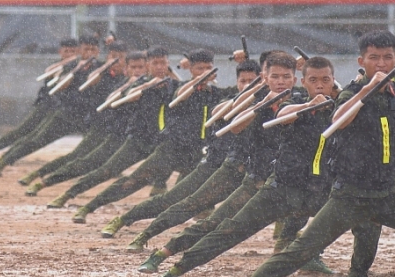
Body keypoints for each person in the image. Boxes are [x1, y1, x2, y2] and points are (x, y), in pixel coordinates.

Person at [216, 31, 395, 277]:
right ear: (362, 61)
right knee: (300, 250)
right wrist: (367, 89)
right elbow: (339, 119)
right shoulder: (349, 92)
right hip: (350, 195)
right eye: (374, 58)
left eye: (387, 57)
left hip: (387, 194)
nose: (382, 64)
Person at [146, 57, 380, 277]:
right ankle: (173, 269)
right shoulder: (292, 102)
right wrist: (304, 105)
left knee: (368, 219)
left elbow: (354, 105)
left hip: (321, 192)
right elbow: (271, 118)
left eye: (325, 80)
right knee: (229, 230)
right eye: (313, 80)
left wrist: (359, 89)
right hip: (280, 188)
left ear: (332, 81)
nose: (319, 85)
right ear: (303, 82)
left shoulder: (340, 107)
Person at [100, 61, 257, 239]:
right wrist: (251, 92)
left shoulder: (271, 102)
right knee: (175, 201)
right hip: (217, 164)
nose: (246, 85)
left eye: (251, 81)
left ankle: (282, 240)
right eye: (242, 81)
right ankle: (126, 221)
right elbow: (221, 110)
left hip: (250, 168)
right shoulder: (226, 98)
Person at [70, 50, 222, 222]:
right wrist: (194, 80)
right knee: (133, 182)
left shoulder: (215, 93)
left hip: (196, 152)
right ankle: (89, 207)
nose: (205, 72)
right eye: (200, 69)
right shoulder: (173, 86)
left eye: (208, 68)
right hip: (171, 149)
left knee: (198, 189)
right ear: (191, 70)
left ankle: (201, 221)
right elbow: (179, 94)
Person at [41, 46, 178, 219]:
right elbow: (130, 96)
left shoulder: (173, 85)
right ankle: (73, 196)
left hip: (162, 143)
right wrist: (150, 84)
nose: (159, 67)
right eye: (155, 63)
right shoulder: (138, 83)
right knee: (107, 171)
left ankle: (192, 205)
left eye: (163, 63)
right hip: (138, 140)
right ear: (148, 65)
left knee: (185, 169)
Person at [0, 36, 102, 177]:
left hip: (88, 115)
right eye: (86, 49)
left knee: (100, 141)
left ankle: (102, 168)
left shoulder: (101, 67)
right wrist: (76, 70)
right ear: (80, 51)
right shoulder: (71, 65)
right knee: (36, 141)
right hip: (68, 114)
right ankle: (3, 162)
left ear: (98, 51)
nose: (90, 53)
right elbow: (59, 83)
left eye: (93, 50)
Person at [0, 38, 79, 164]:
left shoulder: (79, 67)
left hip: (61, 108)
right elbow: (50, 72)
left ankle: (8, 156)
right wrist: (70, 61)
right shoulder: (58, 65)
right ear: (60, 52)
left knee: (34, 137)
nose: (69, 54)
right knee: (23, 130)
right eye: (66, 51)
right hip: (46, 105)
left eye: (72, 52)